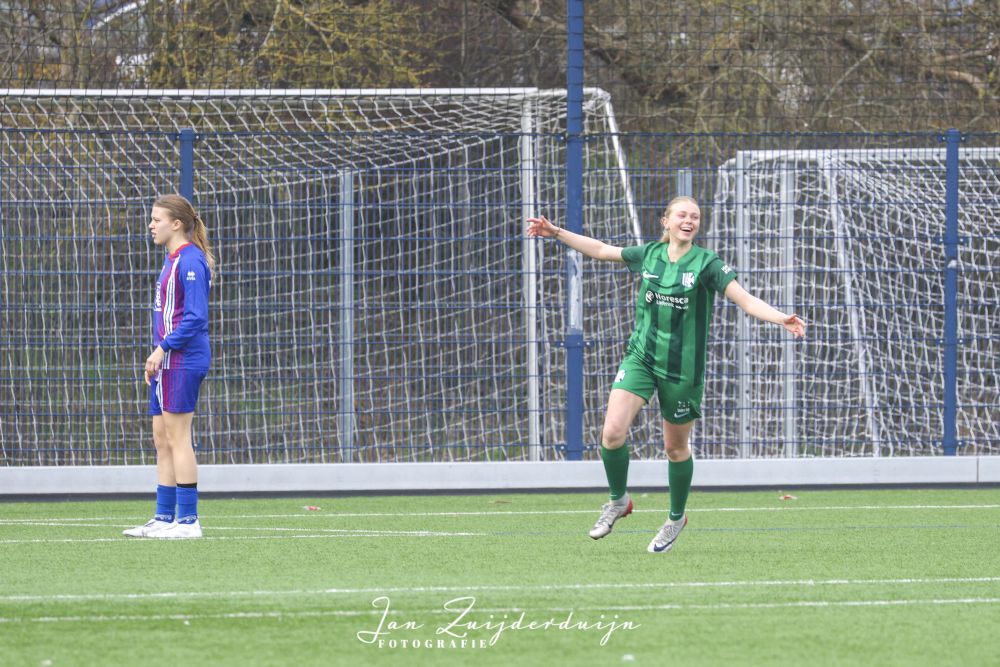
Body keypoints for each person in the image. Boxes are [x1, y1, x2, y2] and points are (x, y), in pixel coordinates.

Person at [526, 197, 804, 553]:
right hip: (641, 358)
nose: (689, 221)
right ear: (666, 222)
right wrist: (556, 232)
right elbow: (601, 250)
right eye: (682, 215)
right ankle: (618, 500)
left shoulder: (707, 263)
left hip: (682, 370)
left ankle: (675, 518)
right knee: (612, 433)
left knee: (675, 448)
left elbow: (746, 300)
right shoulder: (650, 255)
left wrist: (781, 318)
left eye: (695, 217)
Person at [123, 194, 215, 539]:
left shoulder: (190, 261)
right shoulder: (171, 259)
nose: (151, 225)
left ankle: (188, 521)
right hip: (166, 361)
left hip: (183, 359)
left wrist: (162, 349)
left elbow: (195, 318)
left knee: (179, 438)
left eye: (156, 219)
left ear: (176, 224)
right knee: (161, 439)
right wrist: (157, 354)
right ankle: (164, 516)